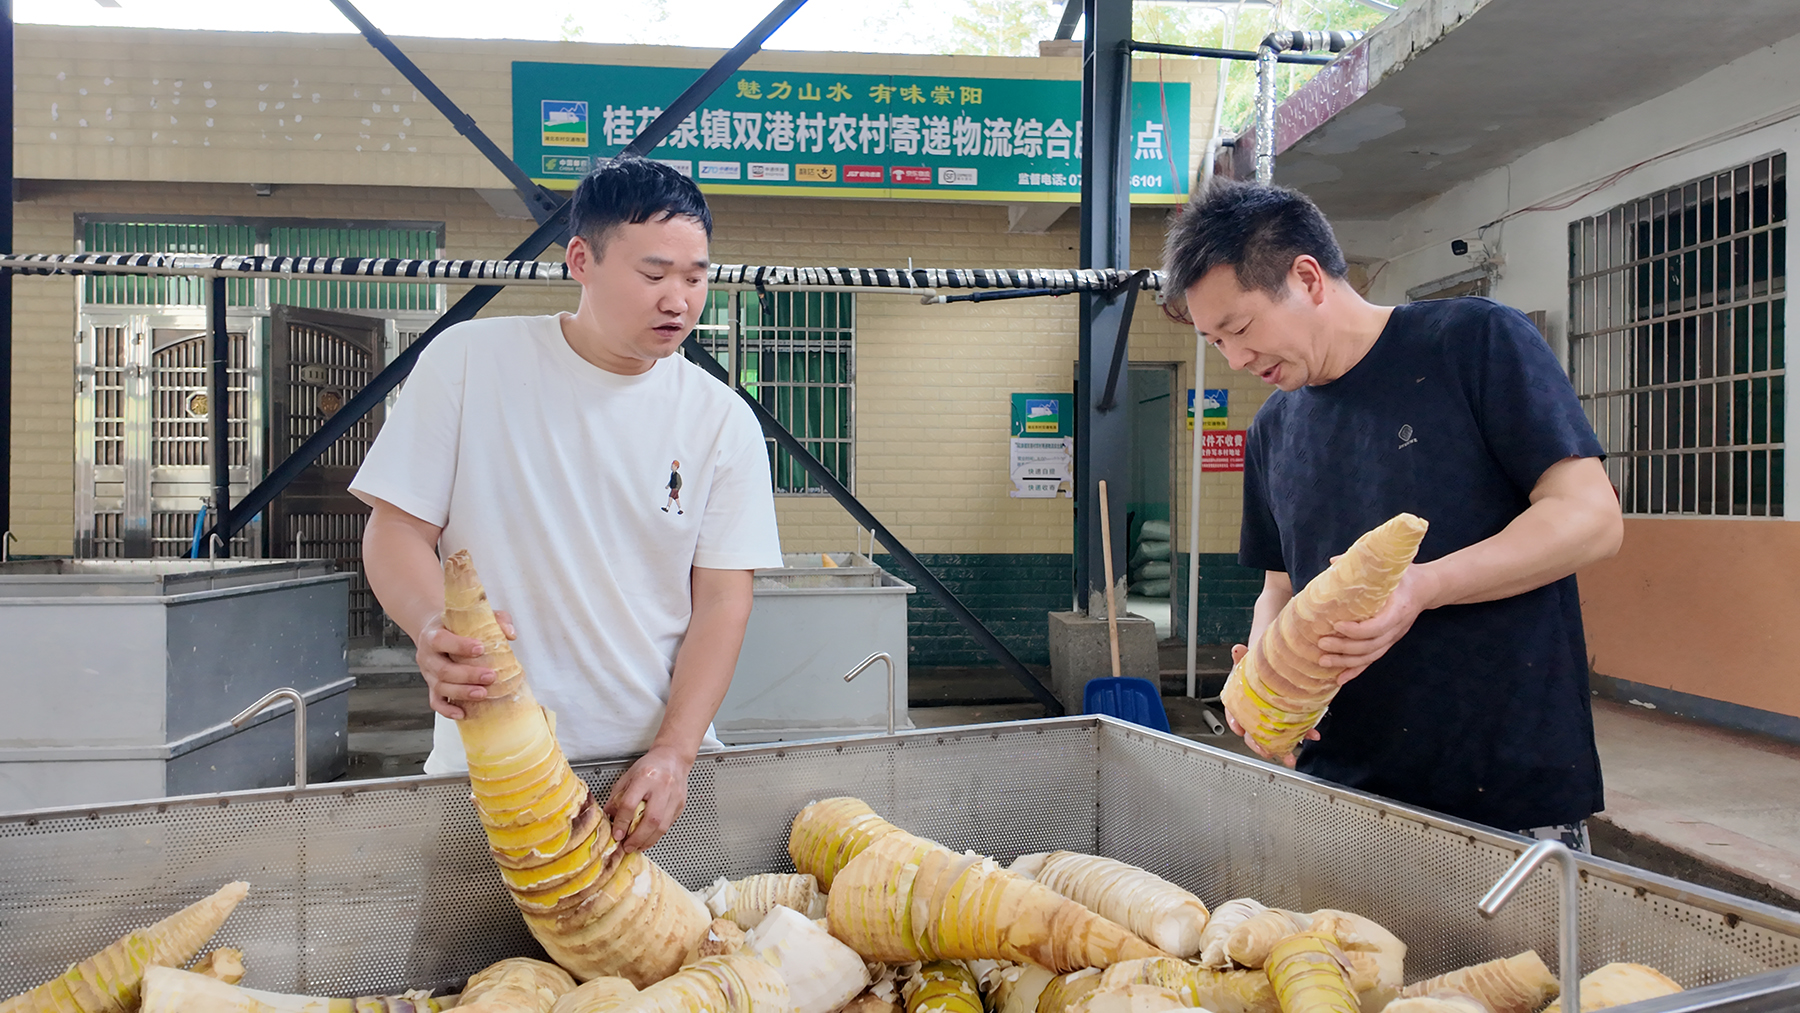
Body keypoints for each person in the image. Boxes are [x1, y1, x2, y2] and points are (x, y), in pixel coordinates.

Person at [1163, 180, 1623, 847]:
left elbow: (1591, 517)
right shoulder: (1273, 429)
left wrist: (1423, 587)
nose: (1236, 359)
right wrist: (1263, 667)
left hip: (1503, 792)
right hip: (1339, 791)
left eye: (1239, 328)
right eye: (1215, 341)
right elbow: (1281, 587)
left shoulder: (1471, 342)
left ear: (1307, 278)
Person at [351, 155, 783, 853]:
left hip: (651, 776)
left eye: (695, 277)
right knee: (471, 931)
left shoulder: (721, 418)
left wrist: (675, 751)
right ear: (581, 259)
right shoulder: (470, 362)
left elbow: (724, 600)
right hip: (493, 763)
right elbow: (396, 529)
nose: (678, 300)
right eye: (654, 275)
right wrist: (432, 623)